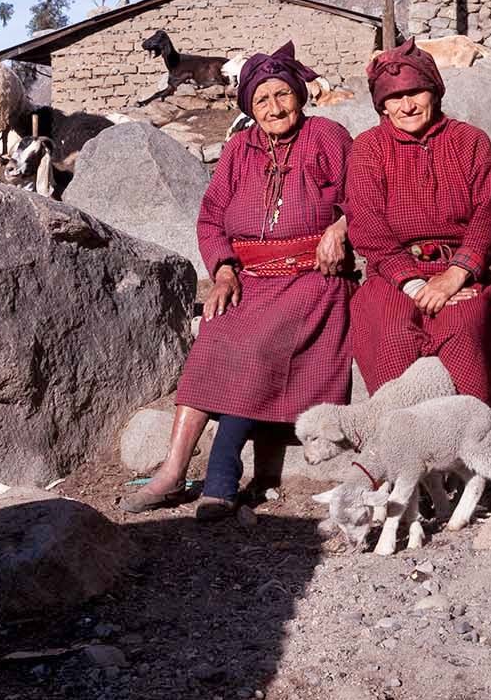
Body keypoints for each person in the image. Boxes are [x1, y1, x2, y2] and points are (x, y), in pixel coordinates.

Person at [120, 43, 354, 520]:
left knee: (254, 343)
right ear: (249, 106)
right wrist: (223, 268)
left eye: (282, 95)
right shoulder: (238, 148)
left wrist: (340, 227)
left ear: (300, 96)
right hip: (249, 277)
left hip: (310, 278)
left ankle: (222, 478)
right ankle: (173, 469)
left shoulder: (327, 135)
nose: (274, 107)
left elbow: (364, 195)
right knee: (216, 334)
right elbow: (210, 219)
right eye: (262, 99)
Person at [344, 39, 491, 403]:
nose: (407, 105)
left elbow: (487, 217)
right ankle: (400, 449)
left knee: (462, 331)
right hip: (393, 275)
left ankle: (465, 448)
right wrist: (415, 286)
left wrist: (455, 276)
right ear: (382, 106)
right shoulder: (368, 148)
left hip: (459, 272)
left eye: (416, 92)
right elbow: (367, 225)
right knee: (392, 334)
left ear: (434, 91)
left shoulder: (471, 141)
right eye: (394, 97)